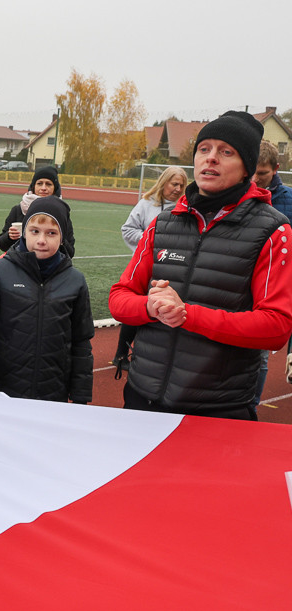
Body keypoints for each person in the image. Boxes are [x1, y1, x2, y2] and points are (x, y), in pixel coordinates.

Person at [108, 110, 292, 420]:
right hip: (143, 398)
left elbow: (275, 327)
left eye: (226, 151)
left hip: (219, 409)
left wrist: (187, 315)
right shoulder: (162, 225)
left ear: (247, 166)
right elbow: (119, 298)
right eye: (204, 149)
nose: (211, 159)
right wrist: (150, 308)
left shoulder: (274, 232)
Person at [0, 197, 94, 403]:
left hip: (53, 395)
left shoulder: (75, 281)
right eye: (35, 231)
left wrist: (81, 394)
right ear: (24, 232)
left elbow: (81, 342)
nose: (41, 240)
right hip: (4, 391)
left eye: (51, 233)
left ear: (62, 238)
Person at [113, 166, 188, 374]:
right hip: (146, 267)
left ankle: (154, 357)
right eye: (174, 184)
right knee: (139, 310)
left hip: (172, 269)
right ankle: (121, 354)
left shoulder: (186, 207)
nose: (178, 188)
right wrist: (150, 241)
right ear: (163, 182)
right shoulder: (146, 204)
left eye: (182, 185)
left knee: (166, 312)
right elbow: (127, 229)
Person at [250, 141, 292, 404]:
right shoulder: (239, 196)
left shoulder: (289, 201)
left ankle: (250, 408)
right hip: (243, 282)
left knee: (260, 354)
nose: (256, 179)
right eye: (252, 172)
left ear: (276, 169)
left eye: (262, 174)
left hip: (277, 285)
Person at [0, 166, 75, 258]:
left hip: (50, 267)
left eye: (49, 184)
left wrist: (60, 240)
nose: (43, 188)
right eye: (39, 183)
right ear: (33, 186)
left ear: (55, 188)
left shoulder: (61, 213)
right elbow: (2, 244)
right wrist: (9, 237)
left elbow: (70, 252)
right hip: (21, 264)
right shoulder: (19, 210)